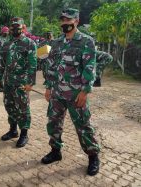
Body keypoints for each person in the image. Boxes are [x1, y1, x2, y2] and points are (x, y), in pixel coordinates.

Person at [41, 8, 101, 176]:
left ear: (76, 21)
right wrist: (48, 87)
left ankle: (93, 156)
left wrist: (85, 91)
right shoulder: (57, 42)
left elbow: (89, 68)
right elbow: (51, 66)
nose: (65, 23)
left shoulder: (86, 41)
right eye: (63, 20)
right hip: (57, 93)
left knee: (83, 126)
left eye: (68, 20)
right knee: (54, 123)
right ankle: (55, 151)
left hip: (76, 94)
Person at [0, 17, 37, 148]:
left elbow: (32, 64)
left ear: (23, 27)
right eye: (12, 27)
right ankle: (13, 130)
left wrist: (30, 82)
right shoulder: (6, 43)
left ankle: (24, 133)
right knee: (9, 105)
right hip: (8, 82)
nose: (14, 29)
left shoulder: (29, 43)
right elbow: (1, 63)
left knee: (23, 108)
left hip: (22, 83)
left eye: (17, 27)